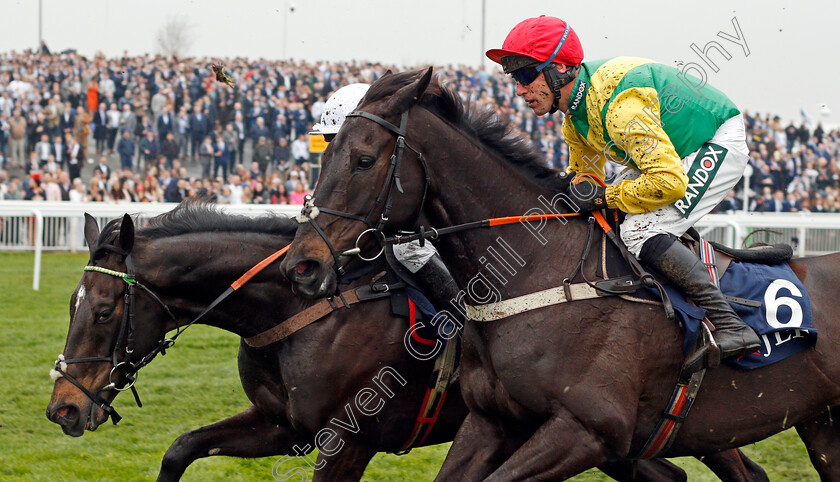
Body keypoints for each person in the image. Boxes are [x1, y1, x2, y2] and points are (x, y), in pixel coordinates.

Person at [483, 15, 759, 360]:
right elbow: (586, 181)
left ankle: (731, 324)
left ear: (560, 69)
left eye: (525, 76)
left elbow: (669, 184)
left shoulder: (621, 110)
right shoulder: (574, 120)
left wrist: (606, 195)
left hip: (715, 140)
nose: (519, 90)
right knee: (606, 215)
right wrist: (580, 190)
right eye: (514, 78)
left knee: (639, 231)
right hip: (673, 154)